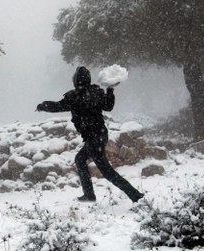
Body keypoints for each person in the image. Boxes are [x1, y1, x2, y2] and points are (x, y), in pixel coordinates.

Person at [36, 66, 144, 203]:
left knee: (107, 172)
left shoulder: (73, 97)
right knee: (80, 159)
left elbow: (57, 106)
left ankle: (136, 196)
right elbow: (108, 106)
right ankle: (89, 195)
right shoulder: (96, 92)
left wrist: (42, 105)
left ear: (75, 80)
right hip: (100, 136)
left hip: (93, 139)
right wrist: (110, 89)